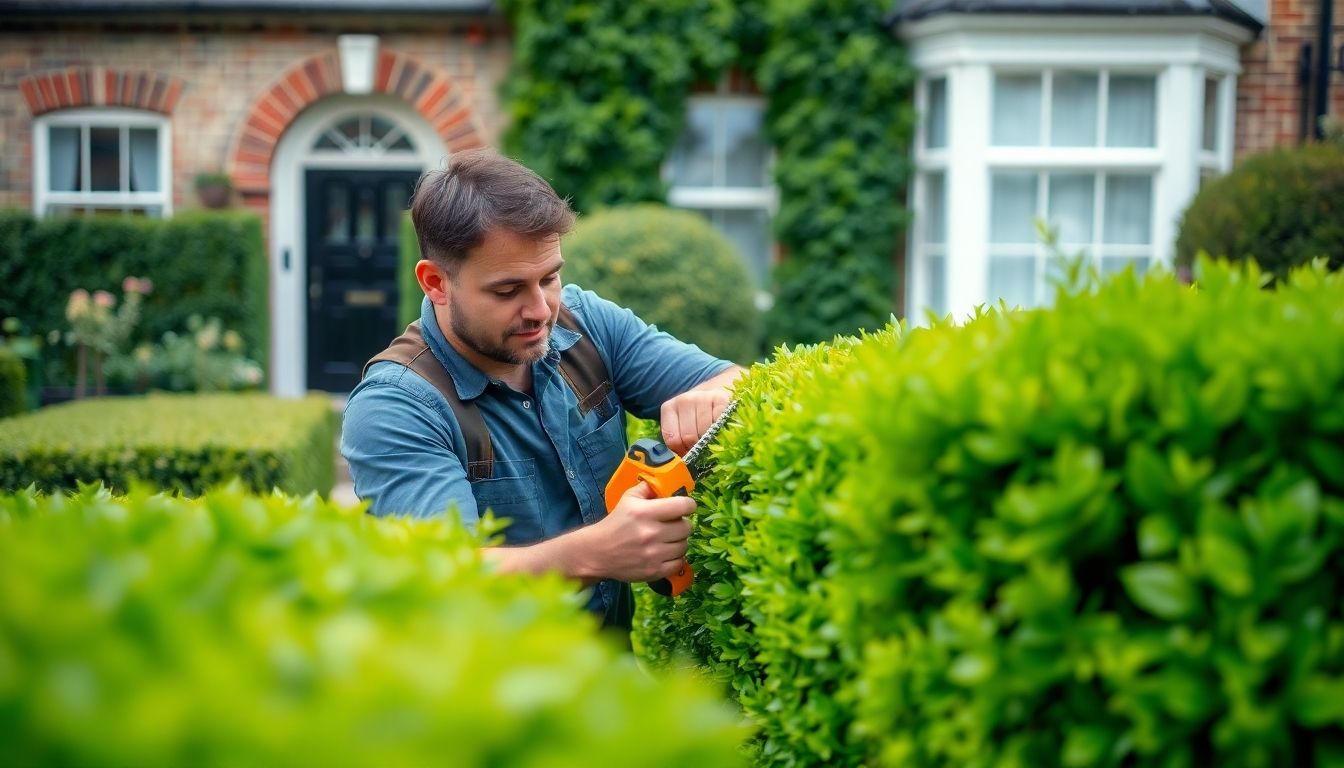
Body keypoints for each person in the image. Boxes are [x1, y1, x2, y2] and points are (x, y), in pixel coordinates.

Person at [340, 149, 743, 631]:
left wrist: (713, 395)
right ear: (435, 283)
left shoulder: (587, 322)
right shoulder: (395, 406)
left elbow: (744, 380)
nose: (540, 310)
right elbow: (442, 577)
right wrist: (594, 554)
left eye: (549, 277)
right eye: (507, 291)